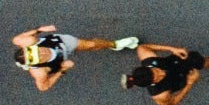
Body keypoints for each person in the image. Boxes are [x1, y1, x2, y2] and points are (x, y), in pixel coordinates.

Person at [123, 43, 209, 105]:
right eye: (157, 78)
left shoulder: (148, 59)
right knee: (195, 69)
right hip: (179, 80)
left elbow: (142, 47)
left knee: (204, 61)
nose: (161, 73)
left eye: (156, 71)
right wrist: (190, 83)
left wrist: (171, 49)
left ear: (149, 67)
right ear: (152, 84)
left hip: (177, 61)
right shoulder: (159, 95)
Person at [11, 26, 140, 91]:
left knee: (91, 45)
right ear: (36, 64)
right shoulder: (39, 73)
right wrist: (62, 70)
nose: (42, 53)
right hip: (62, 60)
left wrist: (40, 29)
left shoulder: (29, 41)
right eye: (39, 58)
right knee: (89, 46)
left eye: (38, 50)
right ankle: (113, 45)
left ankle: (115, 45)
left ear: (32, 47)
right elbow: (44, 87)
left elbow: (16, 39)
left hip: (61, 42)